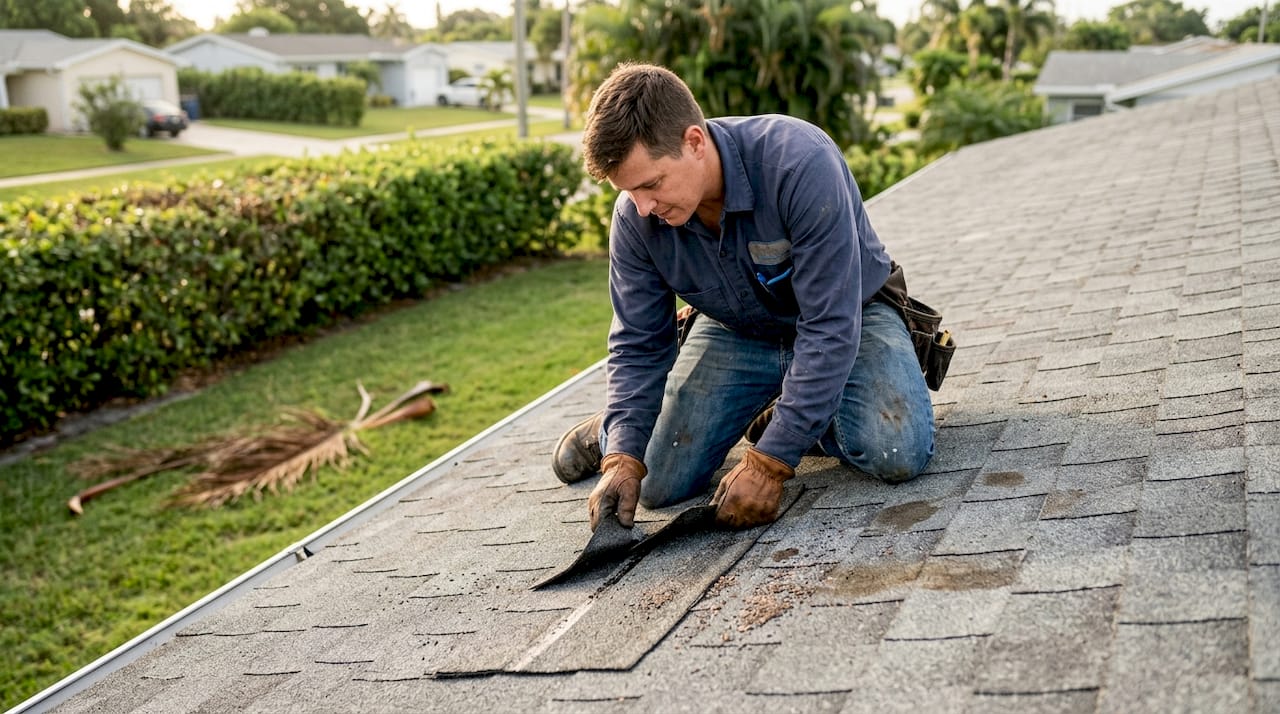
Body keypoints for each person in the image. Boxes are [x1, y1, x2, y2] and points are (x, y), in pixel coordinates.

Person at [553, 62, 937, 531]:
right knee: (656, 484)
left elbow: (830, 327)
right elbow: (639, 344)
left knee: (895, 449)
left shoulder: (799, 163)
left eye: (651, 184)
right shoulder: (636, 218)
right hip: (737, 332)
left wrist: (771, 459)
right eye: (628, 191)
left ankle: (789, 411)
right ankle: (617, 426)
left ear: (694, 142)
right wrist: (621, 459)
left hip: (849, 317)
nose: (643, 207)